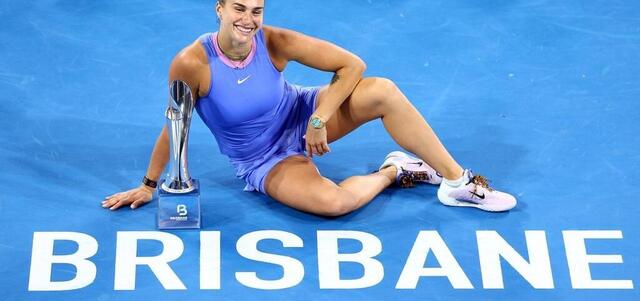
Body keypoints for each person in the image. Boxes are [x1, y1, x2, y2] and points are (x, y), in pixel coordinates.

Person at [102, 0, 516, 216]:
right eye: (239, 9)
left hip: (300, 115)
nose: (249, 20)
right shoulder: (191, 63)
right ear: (219, 9)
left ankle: (457, 181)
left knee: (383, 91)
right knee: (334, 204)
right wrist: (150, 184)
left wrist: (318, 119)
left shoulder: (274, 41)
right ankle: (396, 171)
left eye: (257, 10)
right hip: (262, 159)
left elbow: (352, 65)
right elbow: (176, 125)